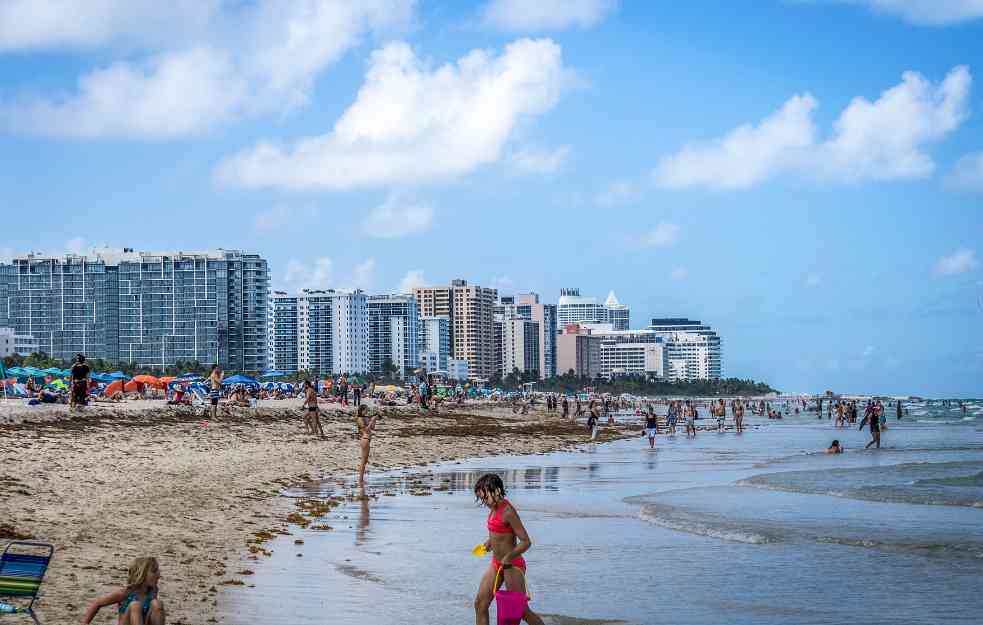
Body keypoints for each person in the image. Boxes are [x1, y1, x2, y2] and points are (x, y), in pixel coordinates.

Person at [472, 474, 545, 625]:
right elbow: (499, 535)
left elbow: (526, 542)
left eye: (485, 497)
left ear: (497, 491)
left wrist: (508, 557)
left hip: (512, 566)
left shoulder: (508, 512)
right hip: (496, 564)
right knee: (480, 604)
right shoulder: (493, 509)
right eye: (481, 498)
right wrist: (487, 544)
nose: (484, 502)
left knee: (521, 611)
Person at [82, 556, 164, 625]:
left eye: (158, 571)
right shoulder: (126, 592)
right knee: (135, 605)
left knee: (157, 604)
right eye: (154, 571)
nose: (158, 574)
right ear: (141, 574)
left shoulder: (153, 591)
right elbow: (97, 603)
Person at [356, 405, 379, 486]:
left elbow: (372, 428)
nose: (366, 412)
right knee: (363, 461)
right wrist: (372, 421)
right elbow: (366, 429)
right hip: (364, 439)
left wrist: (374, 420)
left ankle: (361, 478)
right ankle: (360, 480)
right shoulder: (359, 419)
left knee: (365, 461)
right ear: (361, 410)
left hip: (368, 439)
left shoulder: (365, 418)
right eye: (365, 410)